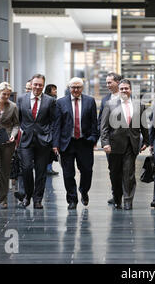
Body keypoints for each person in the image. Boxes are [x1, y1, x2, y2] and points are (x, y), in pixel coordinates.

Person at [100, 79, 149, 210]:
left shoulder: (139, 105)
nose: (124, 91)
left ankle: (128, 201)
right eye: (121, 89)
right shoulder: (110, 104)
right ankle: (117, 199)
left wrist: (146, 141)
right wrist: (105, 143)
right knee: (115, 174)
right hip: (114, 145)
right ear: (118, 90)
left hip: (131, 144)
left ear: (130, 90)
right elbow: (104, 127)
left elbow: (144, 125)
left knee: (129, 174)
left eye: (126, 88)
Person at [53, 78, 99, 210]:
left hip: (85, 142)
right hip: (67, 143)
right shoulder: (61, 102)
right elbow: (57, 124)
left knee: (87, 170)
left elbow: (94, 122)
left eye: (78, 87)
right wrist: (55, 144)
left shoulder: (90, 101)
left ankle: (84, 191)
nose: (76, 90)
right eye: (73, 87)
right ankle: (72, 199)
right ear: (69, 88)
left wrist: (94, 138)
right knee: (68, 173)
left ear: (82, 88)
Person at [17, 74, 56, 209]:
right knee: (26, 169)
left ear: (43, 86)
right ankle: (28, 195)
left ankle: (38, 199)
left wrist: (49, 136)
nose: (37, 87)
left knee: (41, 172)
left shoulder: (50, 101)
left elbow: (53, 121)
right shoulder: (22, 99)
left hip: (43, 141)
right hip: (26, 141)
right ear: (31, 84)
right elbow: (18, 119)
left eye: (40, 85)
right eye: (35, 84)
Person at [98, 72, 122, 205]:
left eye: (109, 82)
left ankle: (126, 194)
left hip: (125, 140)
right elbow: (101, 120)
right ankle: (116, 194)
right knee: (113, 169)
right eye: (106, 82)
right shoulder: (105, 99)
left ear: (117, 82)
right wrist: (102, 139)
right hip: (111, 141)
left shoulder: (127, 97)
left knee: (126, 169)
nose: (107, 85)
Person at [44, 84, 59, 176]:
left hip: (49, 128)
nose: (55, 91)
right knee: (50, 151)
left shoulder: (50, 99)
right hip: (50, 129)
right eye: (54, 89)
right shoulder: (51, 101)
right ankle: (48, 168)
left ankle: (48, 167)